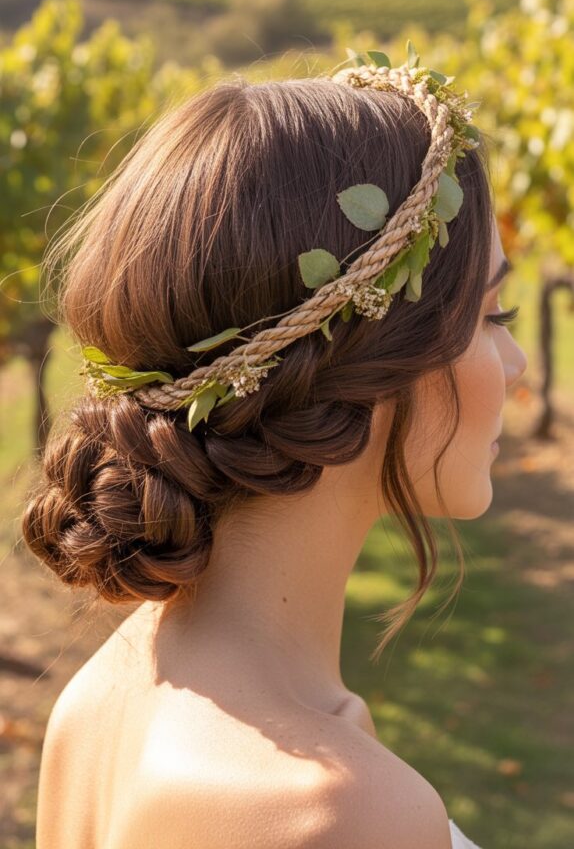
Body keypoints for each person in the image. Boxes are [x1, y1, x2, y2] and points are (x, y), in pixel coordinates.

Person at [22, 55, 527, 849]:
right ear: (373, 353)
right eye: (493, 315)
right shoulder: (341, 815)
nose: (518, 363)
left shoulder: (99, 704)